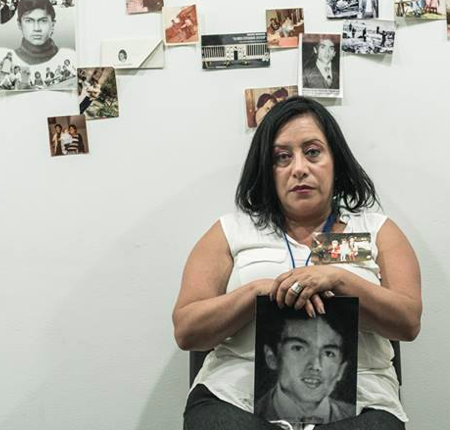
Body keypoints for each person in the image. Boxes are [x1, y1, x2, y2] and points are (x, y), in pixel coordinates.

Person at [175, 97, 420, 429]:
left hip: (361, 399)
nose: (299, 168)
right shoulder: (230, 231)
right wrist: (256, 294)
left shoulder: (377, 230)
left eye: (313, 152)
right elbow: (187, 331)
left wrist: (340, 280)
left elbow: (408, 322)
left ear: (336, 160)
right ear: (267, 169)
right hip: (237, 396)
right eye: (282, 157)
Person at [255, 306, 354, 424]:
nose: (316, 366)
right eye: (298, 348)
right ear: (272, 358)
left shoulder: (356, 418)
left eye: (328, 353)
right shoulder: (247, 415)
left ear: (340, 370)